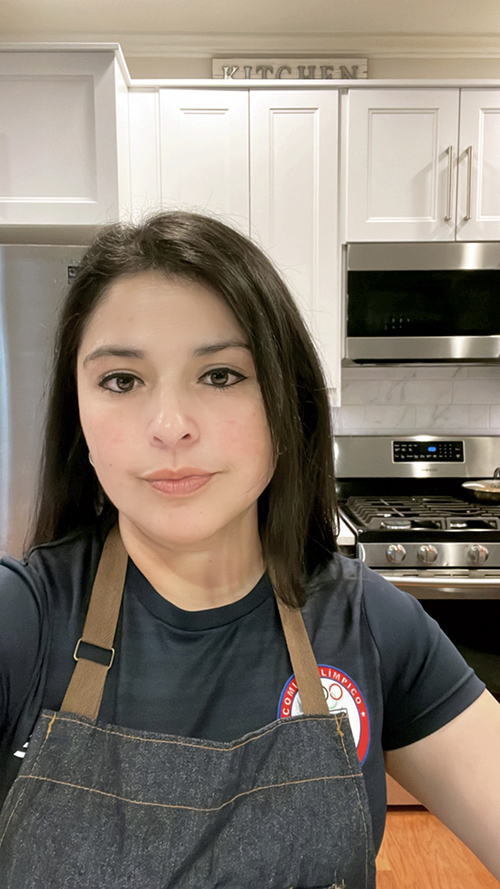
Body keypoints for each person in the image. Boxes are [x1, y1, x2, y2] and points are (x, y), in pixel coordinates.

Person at [0, 211, 499, 887]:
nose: (170, 426)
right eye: (121, 380)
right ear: (79, 413)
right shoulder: (20, 623)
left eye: (220, 375)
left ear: (287, 403)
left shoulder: (374, 627)